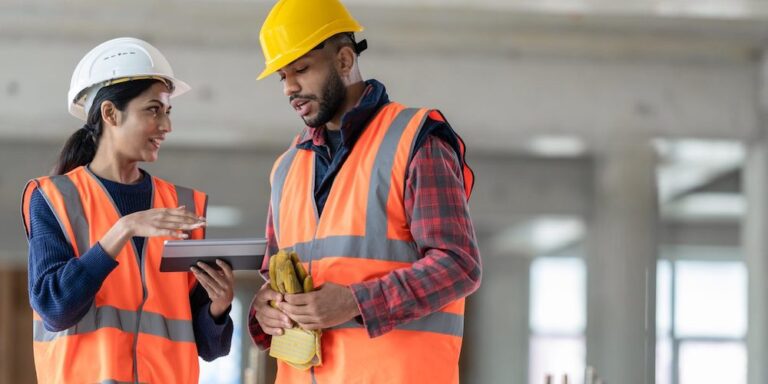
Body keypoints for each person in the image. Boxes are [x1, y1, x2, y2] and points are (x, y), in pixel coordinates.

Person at [247, 1, 481, 382]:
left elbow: (459, 265)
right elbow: (272, 279)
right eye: (282, 76)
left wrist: (356, 302)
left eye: (302, 69)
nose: (290, 87)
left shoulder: (415, 141)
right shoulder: (287, 167)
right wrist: (265, 309)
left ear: (343, 60)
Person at [21, 37, 234, 384]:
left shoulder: (182, 205)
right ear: (110, 113)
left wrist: (219, 307)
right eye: (153, 109)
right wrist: (123, 230)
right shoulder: (53, 198)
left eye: (168, 111)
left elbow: (208, 346)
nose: (166, 126)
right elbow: (55, 309)